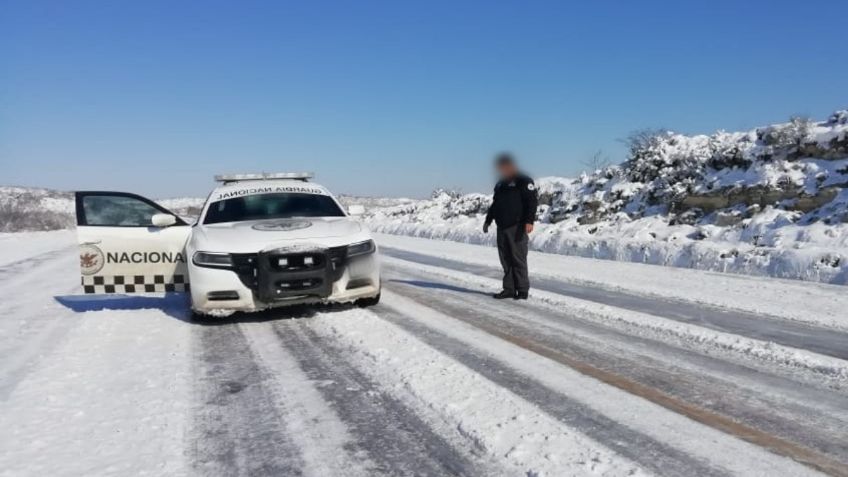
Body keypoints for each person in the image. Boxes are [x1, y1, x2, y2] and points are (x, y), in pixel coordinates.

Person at [483, 153, 538, 300]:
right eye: (501, 168)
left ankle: (522, 290)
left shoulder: (523, 181)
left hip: (517, 226)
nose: (503, 170)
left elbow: (531, 202)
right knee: (506, 259)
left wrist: (529, 221)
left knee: (518, 258)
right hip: (502, 227)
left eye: (505, 167)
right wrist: (488, 220)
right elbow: (495, 204)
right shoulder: (500, 184)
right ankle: (509, 289)